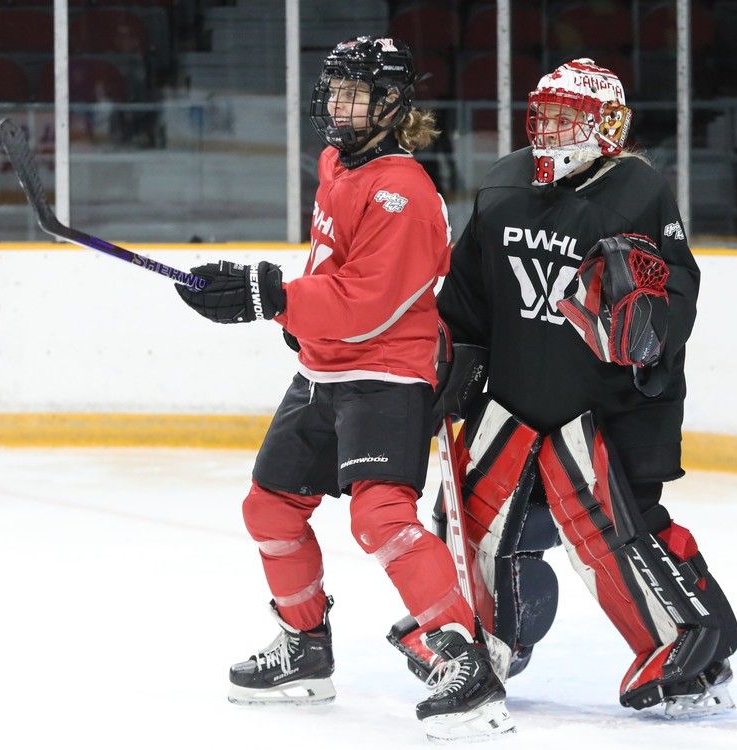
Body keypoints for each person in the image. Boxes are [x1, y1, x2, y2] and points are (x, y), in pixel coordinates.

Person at [175, 36, 514, 743]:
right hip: (325, 370)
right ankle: (304, 649)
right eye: (334, 90)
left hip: (387, 375)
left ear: (392, 104)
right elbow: (331, 264)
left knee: (382, 517)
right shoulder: (336, 163)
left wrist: (270, 295)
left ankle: (463, 660)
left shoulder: (405, 191)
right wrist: (290, 316)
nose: (339, 105)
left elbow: (371, 300)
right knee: (268, 509)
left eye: (356, 93)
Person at [388, 58, 737, 718]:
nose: (551, 130)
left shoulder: (637, 190)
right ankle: (481, 640)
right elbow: (468, 295)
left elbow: (674, 298)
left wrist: (647, 325)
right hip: (513, 395)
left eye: (568, 118)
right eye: (544, 114)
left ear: (609, 125)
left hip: (601, 405)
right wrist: (451, 359)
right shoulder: (503, 182)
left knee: (616, 530)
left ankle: (694, 648)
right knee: (468, 520)